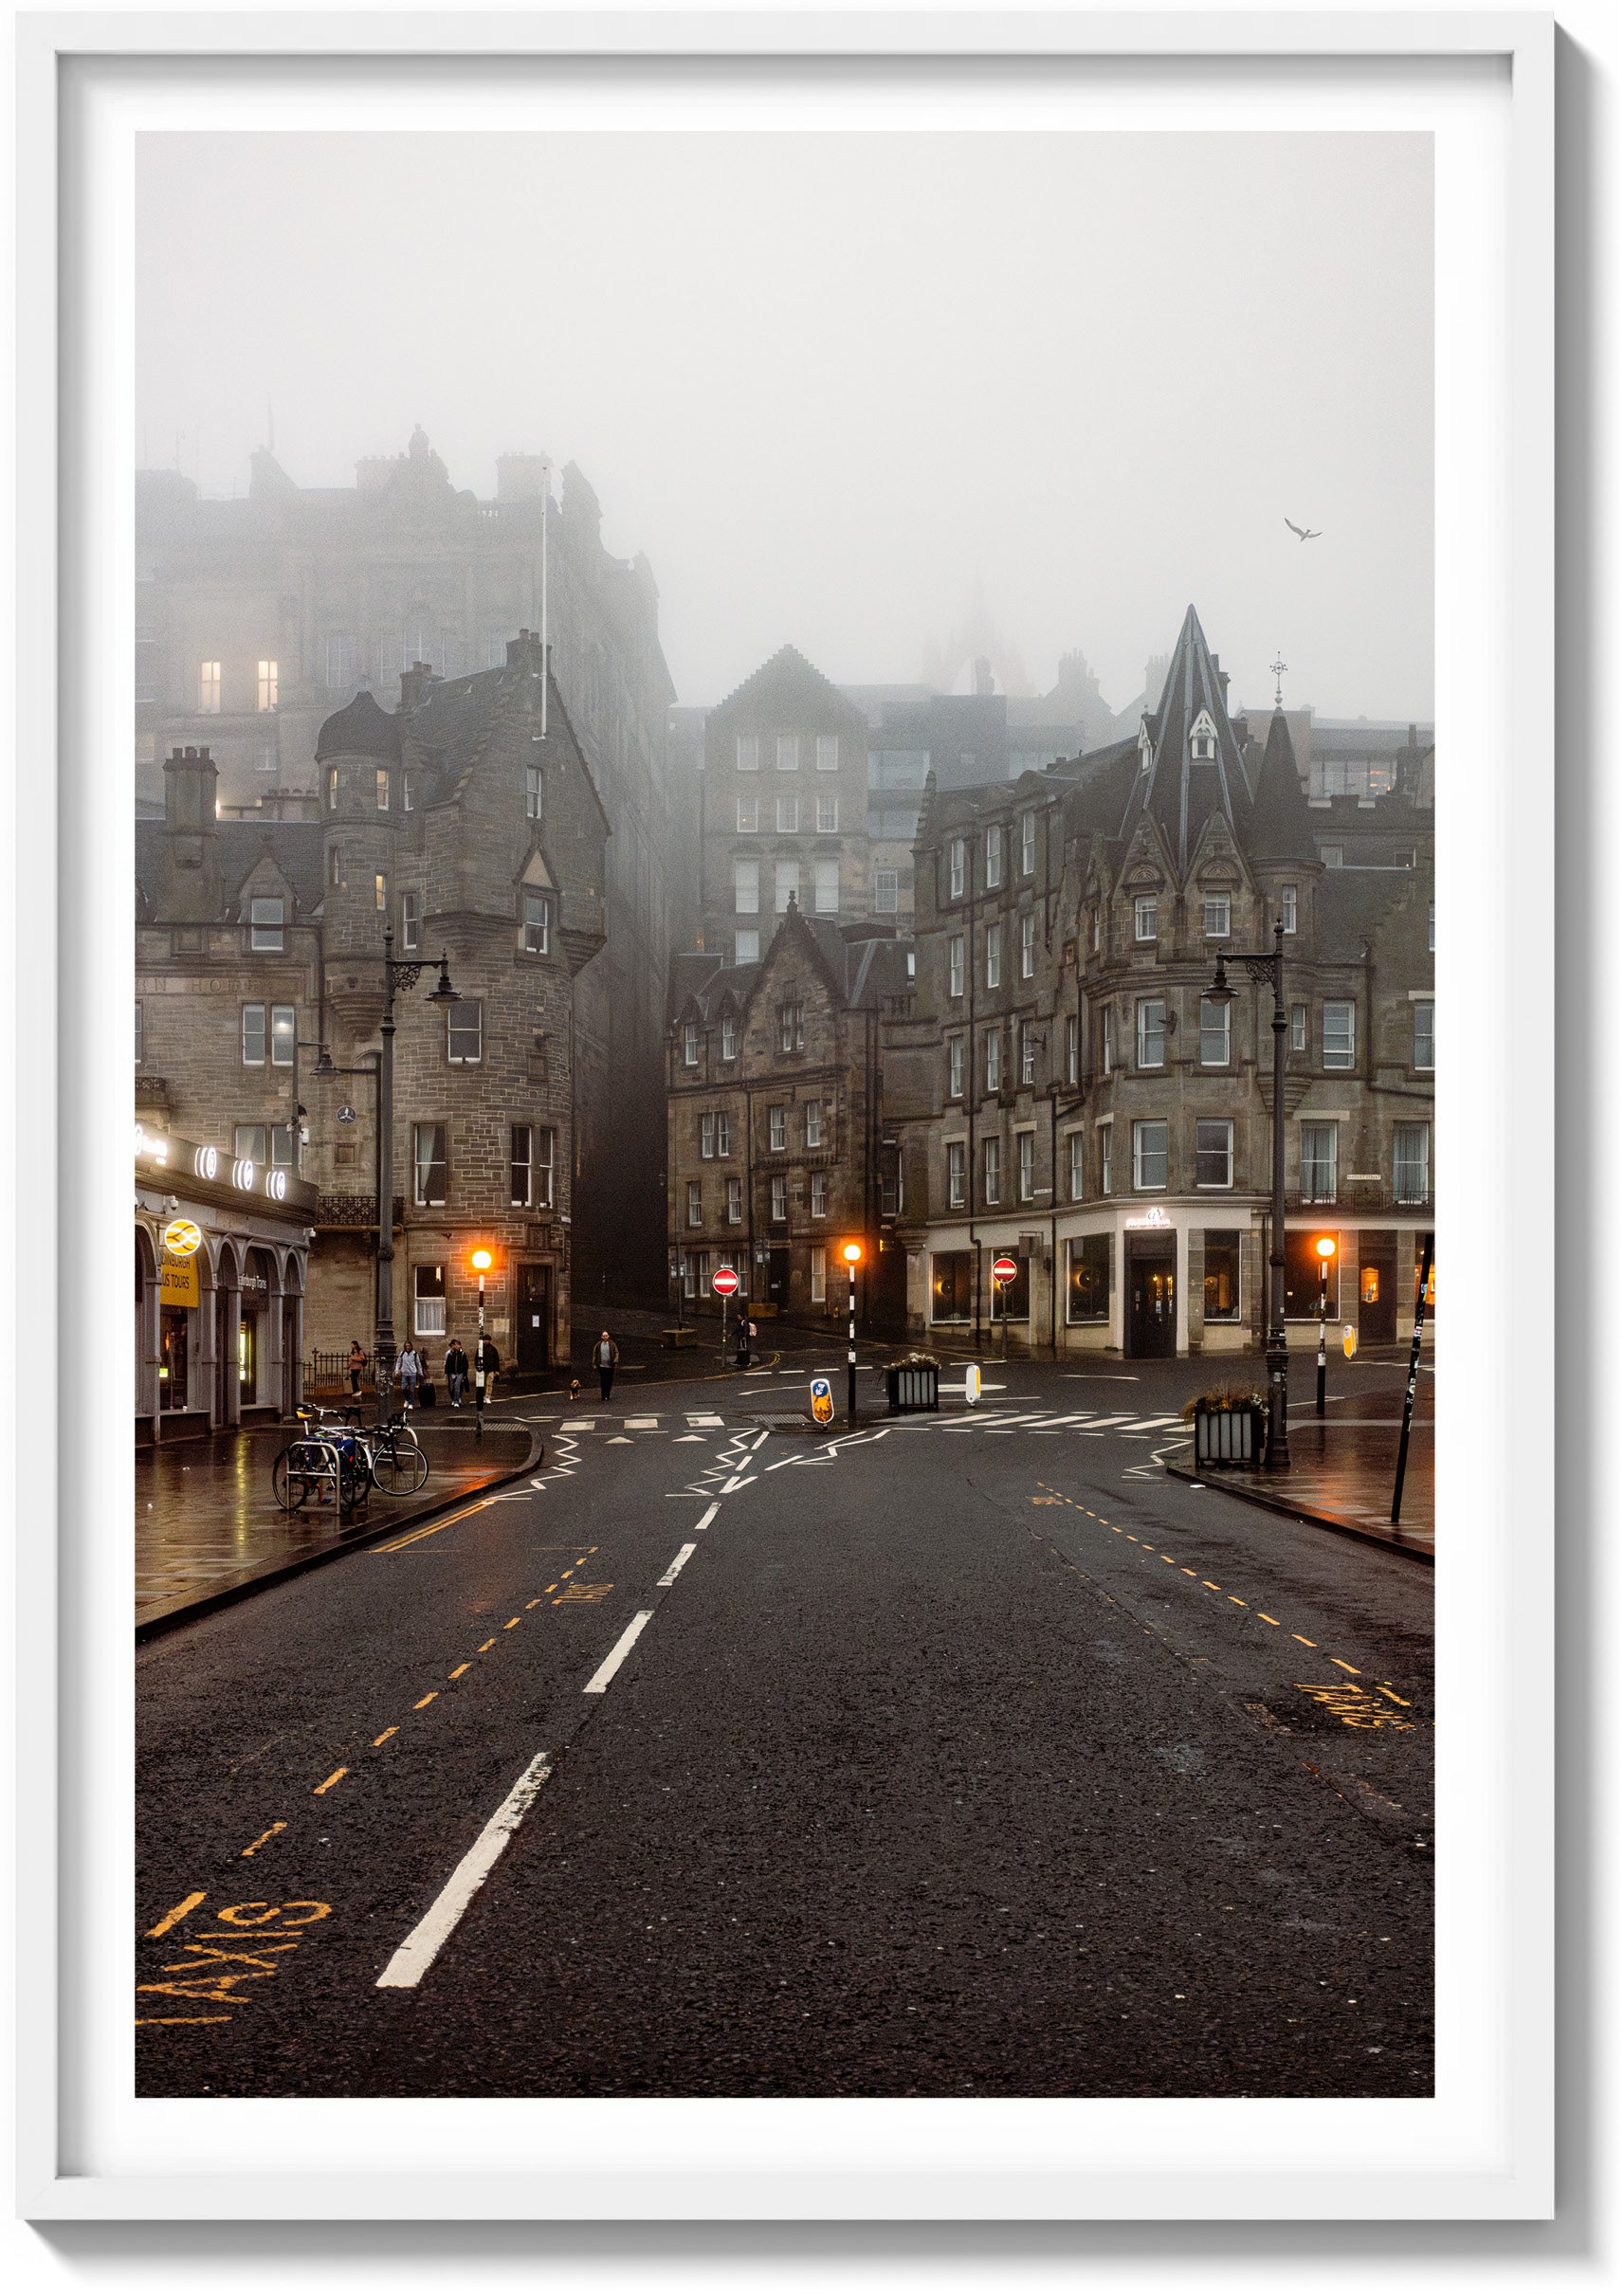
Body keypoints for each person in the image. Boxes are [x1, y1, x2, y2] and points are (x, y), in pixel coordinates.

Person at [474, 1332, 501, 1408]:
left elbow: (496, 1360)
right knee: (481, 1384)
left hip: (491, 1369)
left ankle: (487, 1396)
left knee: (489, 1383)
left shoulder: (493, 1349)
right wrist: (477, 1367)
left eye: (487, 1340)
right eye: (485, 1340)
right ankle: (481, 1396)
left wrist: (497, 1370)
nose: (486, 1341)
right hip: (482, 1369)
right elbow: (476, 1359)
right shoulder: (479, 1349)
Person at [594, 1329, 620, 1403]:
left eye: (606, 1335)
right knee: (603, 1380)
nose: (605, 1337)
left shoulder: (612, 1344)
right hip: (601, 1366)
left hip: (610, 1366)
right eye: (604, 1336)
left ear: (608, 1336)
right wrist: (594, 1364)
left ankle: (607, 1394)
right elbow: (595, 1354)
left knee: (609, 1380)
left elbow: (616, 1352)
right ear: (601, 1337)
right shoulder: (599, 1344)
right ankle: (603, 1395)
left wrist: (615, 1361)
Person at [444, 1336, 468, 1409]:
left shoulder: (462, 1354)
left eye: (457, 1344)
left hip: (460, 1372)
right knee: (451, 1387)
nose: (456, 1346)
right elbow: (447, 1363)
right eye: (454, 1345)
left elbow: (465, 1364)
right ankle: (454, 1398)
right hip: (451, 1372)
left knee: (457, 1385)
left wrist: (465, 1374)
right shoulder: (450, 1353)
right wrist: (446, 1373)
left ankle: (456, 1401)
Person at [397, 1342, 423, 1411]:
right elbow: (399, 1362)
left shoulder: (415, 1354)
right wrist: (397, 1370)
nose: (407, 1347)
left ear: (411, 1346)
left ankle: (411, 1403)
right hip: (404, 1373)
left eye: (408, 1346)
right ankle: (406, 1399)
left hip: (412, 1373)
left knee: (411, 1389)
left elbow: (418, 1364)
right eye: (406, 1346)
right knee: (403, 1388)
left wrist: (420, 1372)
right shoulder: (402, 1353)